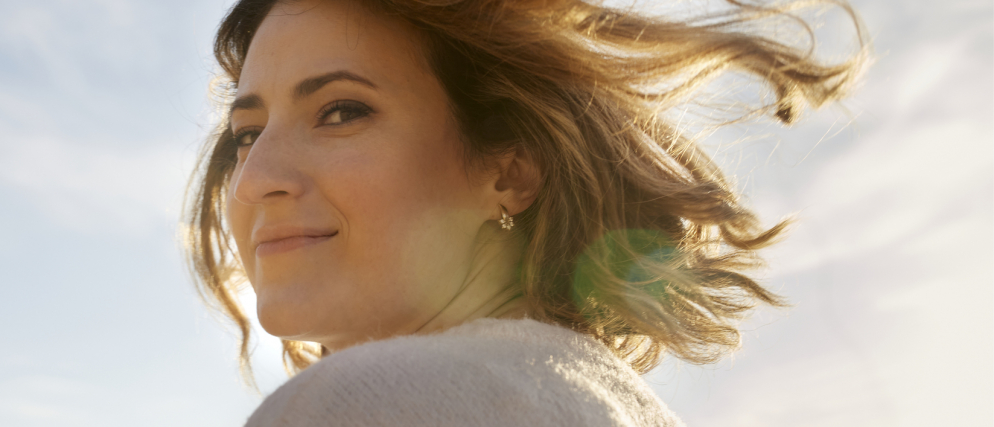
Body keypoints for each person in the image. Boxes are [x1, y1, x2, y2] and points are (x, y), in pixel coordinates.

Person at [184, 0, 867, 425]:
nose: (255, 180)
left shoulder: (360, 408)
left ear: (510, 170)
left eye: (341, 112)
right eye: (247, 135)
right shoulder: (615, 405)